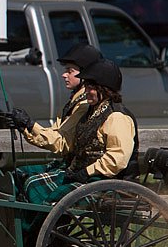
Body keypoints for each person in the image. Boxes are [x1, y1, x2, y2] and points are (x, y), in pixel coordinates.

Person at [21, 59, 139, 206]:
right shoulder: (89, 112)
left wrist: (87, 172)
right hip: (83, 176)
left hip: (106, 182)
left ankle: (37, 229)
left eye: (92, 88)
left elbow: (117, 160)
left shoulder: (117, 117)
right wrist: (28, 127)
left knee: (41, 192)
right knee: (29, 182)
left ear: (105, 89)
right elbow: (65, 142)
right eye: (87, 86)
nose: (87, 91)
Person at [8, 43, 102, 149]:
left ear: (86, 74)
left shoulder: (84, 105)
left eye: (70, 71)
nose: (64, 74)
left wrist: (30, 124)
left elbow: (61, 142)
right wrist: (25, 128)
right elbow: (55, 133)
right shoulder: (75, 100)